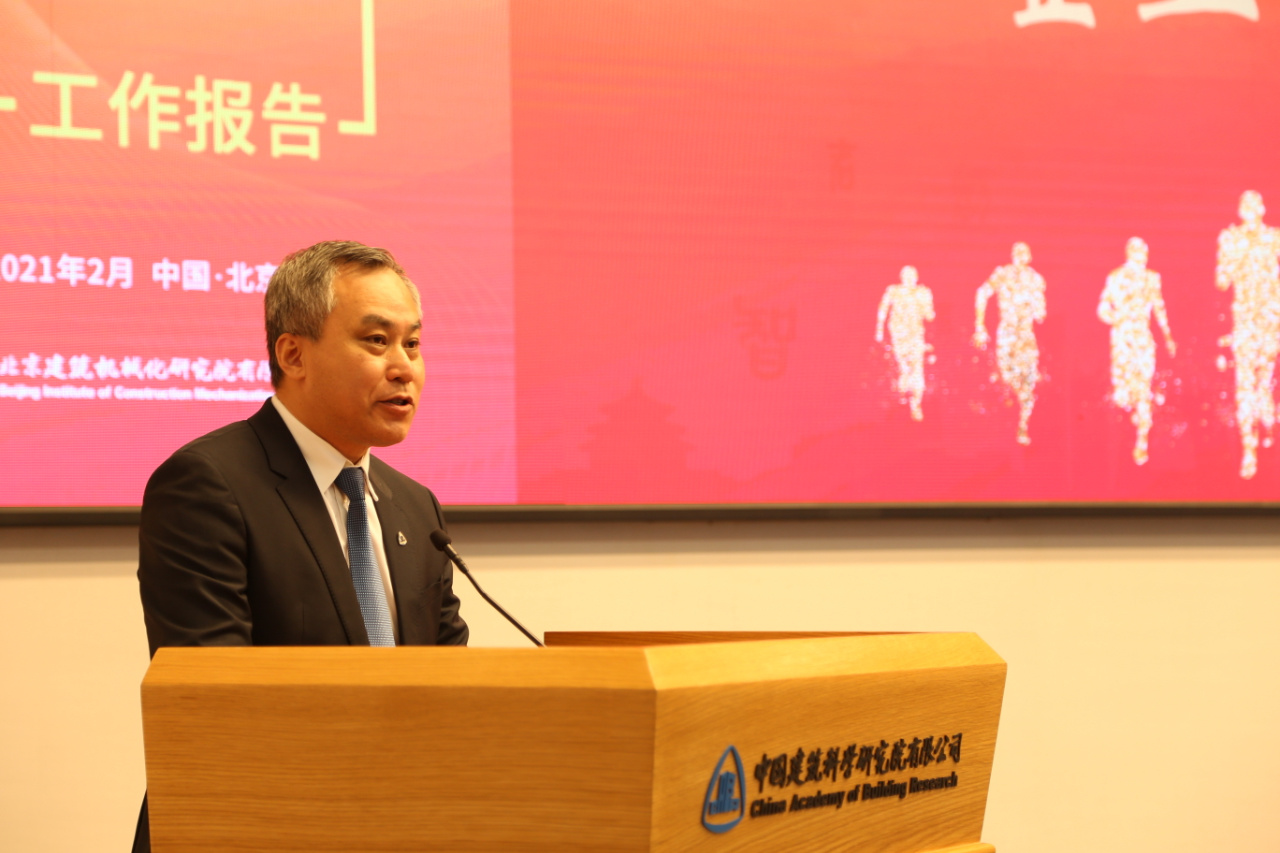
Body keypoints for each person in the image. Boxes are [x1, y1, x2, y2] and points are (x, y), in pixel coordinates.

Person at [132, 241, 468, 852]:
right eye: (377, 341)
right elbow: (215, 701)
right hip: (251, 827)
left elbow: (451, 684)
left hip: (395, 825)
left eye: (413, 344)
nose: (404, 368)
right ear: (293, 354)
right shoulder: (208, 483)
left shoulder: (415, 506)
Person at [1215, 190, 1280, 479]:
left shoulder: (1274, 237)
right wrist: (1234, 257)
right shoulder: (1230, 239)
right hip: (1244, 320)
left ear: (1263, 209)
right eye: (1246, 205)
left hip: (1271, 320)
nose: (1251, 210)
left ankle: (1266, 424)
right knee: (1244, 384)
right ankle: (1248, 450)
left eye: (1256, 205)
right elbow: (1221, 281)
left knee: (1263, 383)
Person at [1097, 237, 1176, 466]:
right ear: (1128, 252)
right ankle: (1133, 417)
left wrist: (1168, 337)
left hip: (1142, 339)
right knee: (1123, 394)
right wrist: (1115, 318)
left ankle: (1142, 440)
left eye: (1143, 250)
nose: (1141, 254)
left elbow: (1159, 308)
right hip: (1122, 340)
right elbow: (1102, 307)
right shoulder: (1116, 277)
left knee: (1143, 388)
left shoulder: (1152, 278)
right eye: (1136, 250)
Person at [973, 242, 1047, 446]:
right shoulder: (1002, 274)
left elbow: (1041, 314)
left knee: (1028, 382)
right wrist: (979, 325)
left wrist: (1035, 305)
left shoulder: (1035, 279)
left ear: (1029, 256)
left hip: (1026, 335)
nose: (1021, 256)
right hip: (1007, 332)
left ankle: (1023, 425)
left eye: (1025, 253)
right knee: (1007, 376)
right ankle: (1008, 415)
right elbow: (982, 293)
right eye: (1017, 252)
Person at [875, 265, 935, 421]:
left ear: (917, 278)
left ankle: (916, 405)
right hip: (899, 334)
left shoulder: (922, 292)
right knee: (904, 367)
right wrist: (879, 329)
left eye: (912, 276)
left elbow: (929, 316)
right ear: (901, 277)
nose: (909, 279)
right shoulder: (893, 291)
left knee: (917, 368)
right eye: (906, 276)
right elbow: (883, 308)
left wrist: (926, 302)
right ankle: (903, 392)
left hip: (915, 335)